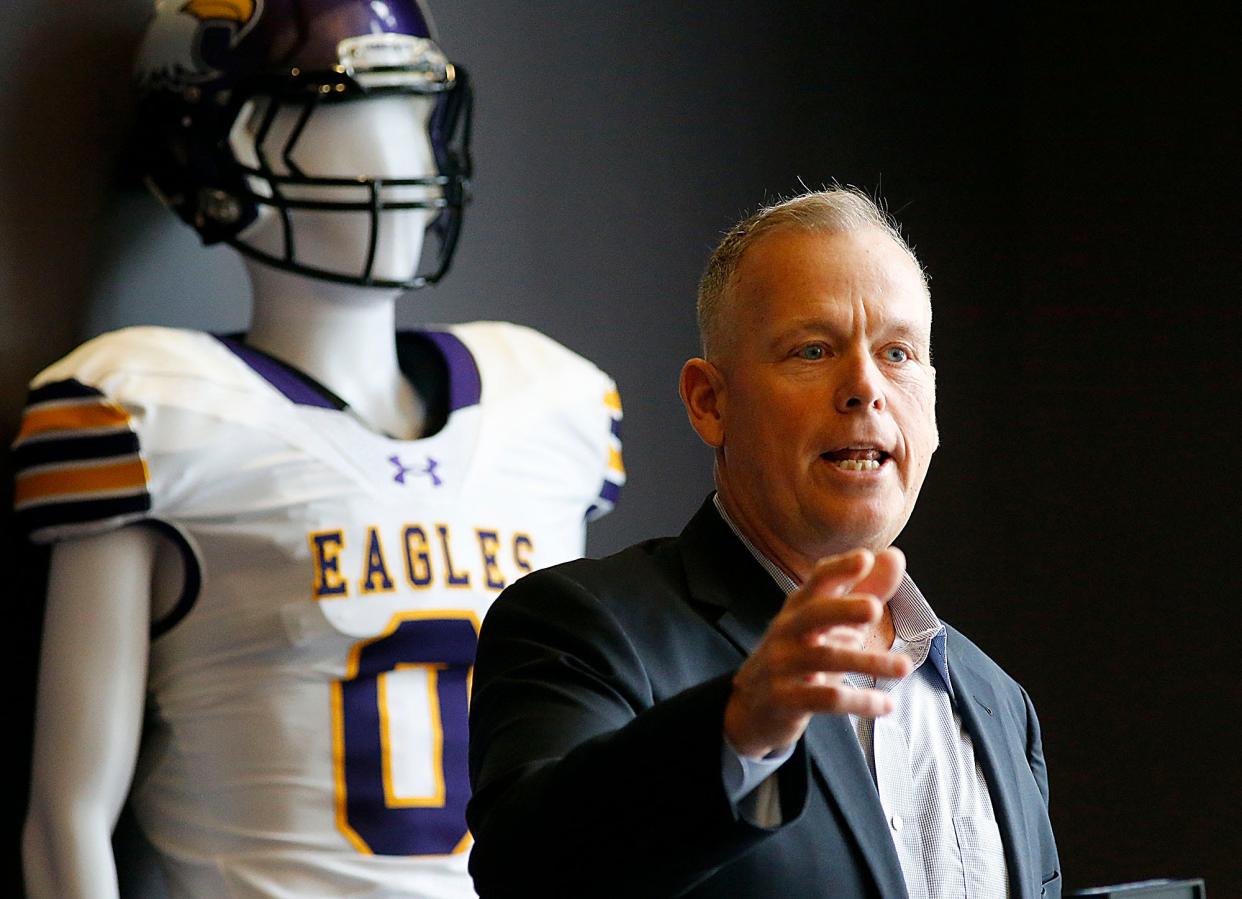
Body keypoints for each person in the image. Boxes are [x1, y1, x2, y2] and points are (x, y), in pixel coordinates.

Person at [17, 2, 623, 897]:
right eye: (355, 113)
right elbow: (68, 817)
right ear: (231, 151)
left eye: (418, 115)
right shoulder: (151, 411)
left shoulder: (547, 403)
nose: (410, 157)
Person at [467, 188, 1060, 898]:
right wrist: (738, 730)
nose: (865, 388)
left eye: (897, 352)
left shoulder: (999, 704)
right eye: (813, 349)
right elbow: (530, 875)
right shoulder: (582, 626)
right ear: (709, 402)